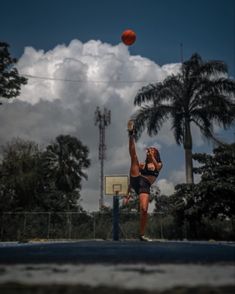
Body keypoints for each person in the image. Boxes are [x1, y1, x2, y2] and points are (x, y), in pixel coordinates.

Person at [127, 120, 163, 241]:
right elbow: (135, 168)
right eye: (149, 150)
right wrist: (127, 193)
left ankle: (141, 234)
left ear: (156, 153)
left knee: (144, 209)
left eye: (152, 150)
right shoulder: (142, 165)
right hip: (136, 179)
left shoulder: (159, 163)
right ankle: (131, 134)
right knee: (134, 157)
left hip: (145, 185)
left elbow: (157, 167)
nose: (149, 151)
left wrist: (151, 155)